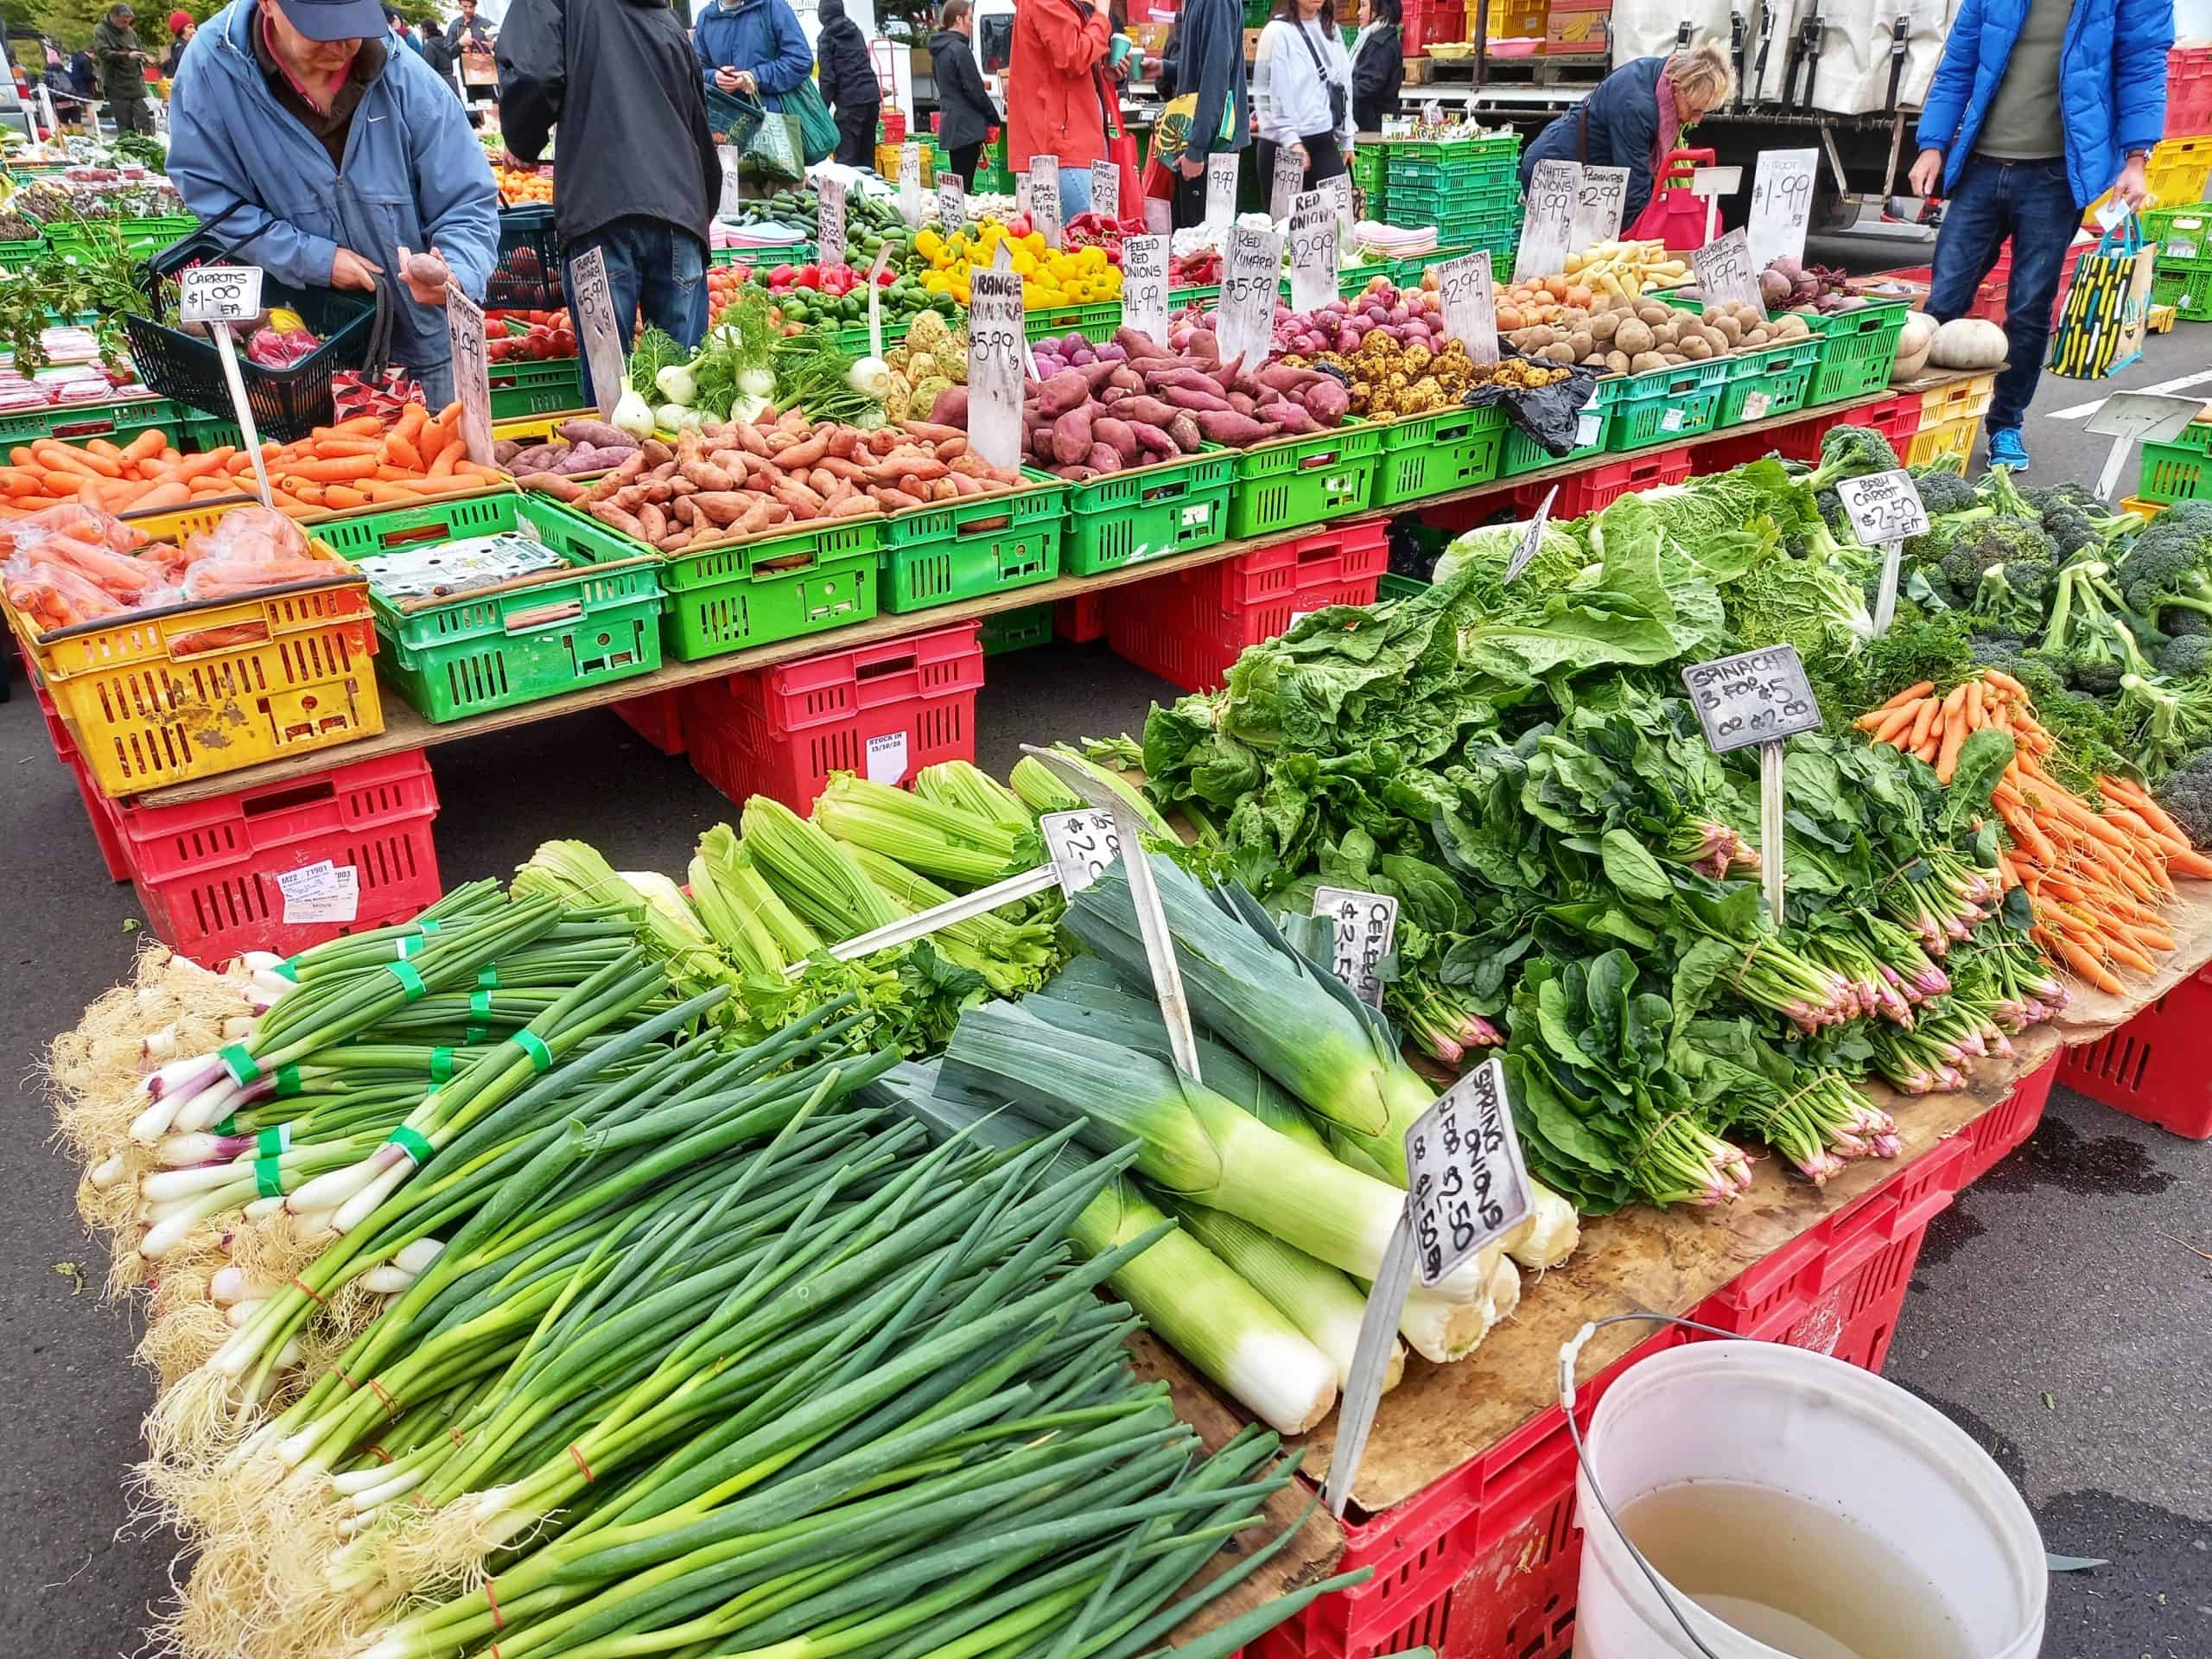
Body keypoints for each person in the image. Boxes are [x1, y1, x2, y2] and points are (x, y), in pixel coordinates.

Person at [167, 0, 499, 407]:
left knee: (445, 461)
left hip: (423, 340)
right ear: (269, 5)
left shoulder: (402, 72)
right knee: (309, 469)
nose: (342, 43)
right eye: (322, 28)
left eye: (354, 24)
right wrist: (314, 259)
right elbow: (213, 195)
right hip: (296, 349)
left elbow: (466, 197)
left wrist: (457, 269)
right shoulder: (214, 69)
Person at [1910, 0, 2175, 472]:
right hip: (1979, 166)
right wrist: (1933, 145)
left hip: (2055, 178)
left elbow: (2142, 69)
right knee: (1944, 303)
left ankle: (2005, 425)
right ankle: (1921, 422)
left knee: (2028, 310)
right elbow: (1959, 62)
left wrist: (2137, 159)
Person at [499, 0, 720, 405]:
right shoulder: (666, 19)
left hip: (600, 213)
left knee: (611, 397)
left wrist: (522, 140)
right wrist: (700, 210)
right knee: (682, 398)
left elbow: (533, 72)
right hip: (680, 214)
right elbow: (698, 120)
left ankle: (619, 468)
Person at [1518, 41, 1734, 229]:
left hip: (1586, 170)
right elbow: (1634, 188)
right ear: (1677, 88)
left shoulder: (1662, 75)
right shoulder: (1636, 107)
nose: (1696, 120)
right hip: (1556, 168)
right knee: (1558, 258)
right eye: (1695, 110)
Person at [1007, 0, 1113, 218]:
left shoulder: (1060, 5)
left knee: (1086, 242)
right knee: (1093, 239)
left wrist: (1102, 67)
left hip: (1065, 145)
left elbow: (1067, 62)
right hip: (1063, 148)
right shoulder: (1047, 3)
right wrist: (1102, 14)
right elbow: (1073, 56)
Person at [1160, 0, 1248, 229]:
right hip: (1201, 144)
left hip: (1213, 147)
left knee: (1203, 246)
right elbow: (1203, 65)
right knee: (1190, 244)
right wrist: (1165, 68)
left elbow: (1216, 75)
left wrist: (1197, 150)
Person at [1254, 0, 1351, 196]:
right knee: (1283, 224)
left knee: (1338, 221)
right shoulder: (1276, 32)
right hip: (1281, 147)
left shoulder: (1331, 30)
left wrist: (1347, 138)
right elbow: (1265, 94)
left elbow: (1344, 85)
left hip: (1324, 141)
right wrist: (1291, 140)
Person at [692, 0, 811, 117]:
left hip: (771, 118)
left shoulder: (771, 6)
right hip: (723, 123)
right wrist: (714, 78)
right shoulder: (706, 17)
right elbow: (696, 70)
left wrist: (756, 77)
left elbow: (800, 60)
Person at [931, 0, 995, 188]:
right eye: (970, 18)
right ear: (959, 19)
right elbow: (974, 90)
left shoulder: (939, 51)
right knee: (965, 185)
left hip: (952, 125)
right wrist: (993, 117)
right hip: (968, 128)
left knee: (958, 184)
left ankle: (956, 215)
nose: (972, 24)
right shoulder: (959, 50)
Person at [813, 0, 879, 168]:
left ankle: (850, 193)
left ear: (822, 15)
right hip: (871, 97)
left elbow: (828, 79)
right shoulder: (855, 31)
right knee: (867, 157)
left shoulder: (826, 38)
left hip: (850, 103)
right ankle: (871, 192)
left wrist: (822, 110)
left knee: (846, 161)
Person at [93, 4, 157, 133]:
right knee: (125, 126)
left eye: (129, 21)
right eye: (124, 20)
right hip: (116, 85)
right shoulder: (101, 30)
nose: (127, 23)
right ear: (113, 17)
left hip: (136, 83)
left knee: (144, 121)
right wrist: (127, 56)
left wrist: (144, 56)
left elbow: (139, 49)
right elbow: (103, 52)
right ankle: (130, 149)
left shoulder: (131, 32)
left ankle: (147, 145)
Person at [1348, 0, 1401, 135]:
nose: (1359, 12)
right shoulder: (1374, 37)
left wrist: (1340, 92)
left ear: (1380, 9)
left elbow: (1370, 84)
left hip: (1374, 127)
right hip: (1371, 123)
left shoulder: (1381, 43)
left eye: (1364, 6)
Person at [443, 0, 494, 99]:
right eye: (465, 6)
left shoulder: (485, 23)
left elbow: (502, 40)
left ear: (475, 6)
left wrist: (493, 45)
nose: (468, 10)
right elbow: (448, 52)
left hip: (487, 72)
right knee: (478, 104)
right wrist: (460, 44)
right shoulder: (455, 25)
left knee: (492, 105)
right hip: (469, 73)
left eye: (471, 7)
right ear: (460, 5)